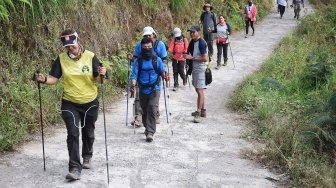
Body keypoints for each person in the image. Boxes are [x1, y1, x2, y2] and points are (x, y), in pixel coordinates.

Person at [34, 28, 106, 181]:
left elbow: (98, 80)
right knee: (73, 134)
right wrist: (43, 79)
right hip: (70, 103)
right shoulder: (61, 59)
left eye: (72, 45)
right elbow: (54, 78)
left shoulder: (91, 56)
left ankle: (87, 156)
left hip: (90, 102)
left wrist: (101, 74)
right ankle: (74, 167)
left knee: (88, 132)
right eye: (67, 47)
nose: (70, 49)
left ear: (78, 41)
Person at [128, 26, 168, 126]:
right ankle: (138, 117)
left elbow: (164, 60)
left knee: (153, 98)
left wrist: (164, 73)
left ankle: (155, 115)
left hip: (155, 73)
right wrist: (131, 59)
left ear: (153, 34)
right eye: (145, 35)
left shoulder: (160, 45)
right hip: (141, 74)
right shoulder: (139, 45)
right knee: (138, 97)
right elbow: (136, 59)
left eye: (149, 35)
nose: (147, 37)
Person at [184, 25, 208, 123]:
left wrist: (191, 58)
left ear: (199, 32)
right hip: (195, 68)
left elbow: (205, 58)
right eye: (191, 32)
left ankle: (198, 112)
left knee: (199, 91)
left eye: (193, 32)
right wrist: (186, 59)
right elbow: (189, 53)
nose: (192, 34)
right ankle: (202, 111)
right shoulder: (192, 42)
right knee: (198, 90)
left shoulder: (202, 43)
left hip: (201, 69)